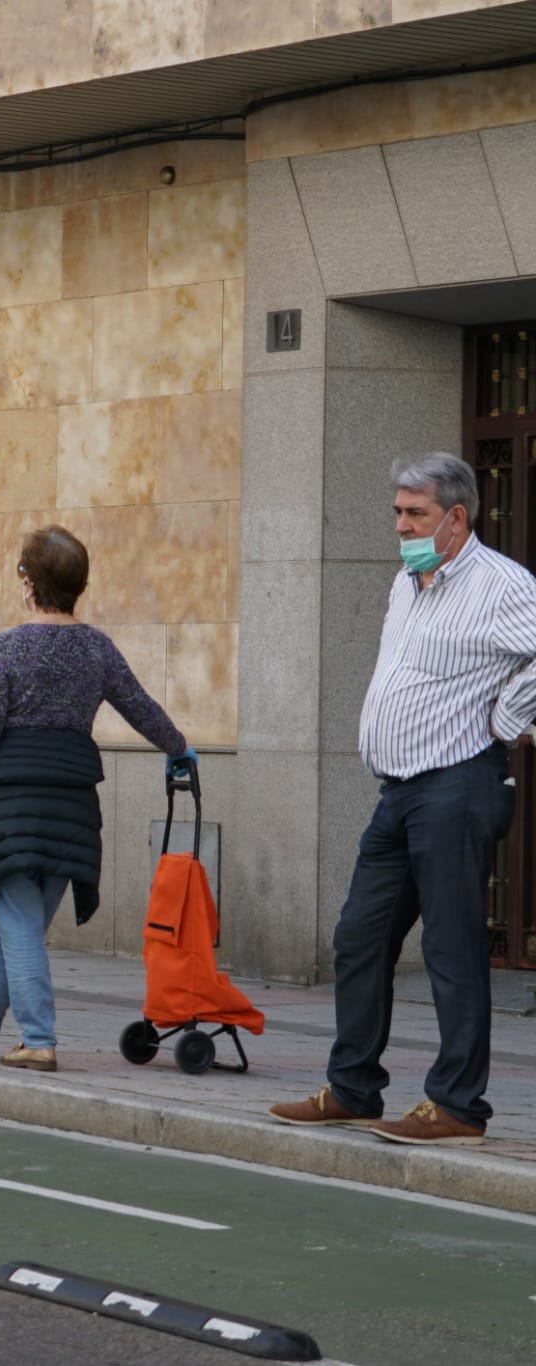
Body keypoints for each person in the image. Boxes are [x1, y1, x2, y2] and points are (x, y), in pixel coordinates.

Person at [271, 453, 536, 1145]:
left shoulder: (502, 585)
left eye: (415, 513)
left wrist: (510, 715)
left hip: (458, 784)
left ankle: (456, 1105)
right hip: (399, 792)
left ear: (456, 517)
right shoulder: (407, 582)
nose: (401, 525)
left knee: (450, 947)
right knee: (359, 936)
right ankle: (354, 1088)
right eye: (396, 511)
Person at [0, 526, 193, 1073]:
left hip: (8, 802)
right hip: (73, 806)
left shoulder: (8, 647)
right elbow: (139, 705)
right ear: (79, 585)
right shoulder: (97, 648)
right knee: (21, 926)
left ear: (28, 583)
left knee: (20, 925)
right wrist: (178, 749)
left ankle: (38, 1038)